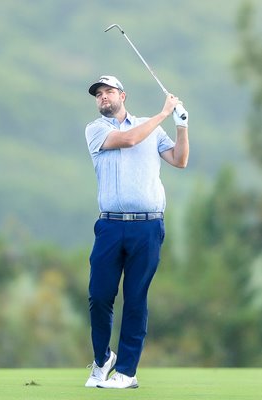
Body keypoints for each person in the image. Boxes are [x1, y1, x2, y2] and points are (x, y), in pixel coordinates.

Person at [84, 75, 189, 389]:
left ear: (122, 95)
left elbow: (180, 160)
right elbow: (128, 140)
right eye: (98, 94)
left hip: (148, 225)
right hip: (110, 226)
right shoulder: (96, 129)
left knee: (135, 298)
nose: (103, 96)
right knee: (99, 296)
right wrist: (163, 113)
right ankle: (103, 359)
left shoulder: (151, 128)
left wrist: (182, 124)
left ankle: (127, 372)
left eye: (109, 91)